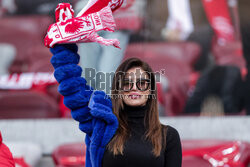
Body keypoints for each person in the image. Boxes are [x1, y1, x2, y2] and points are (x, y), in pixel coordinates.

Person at [50, 44, 182, 167]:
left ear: (150, 90)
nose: (134, 88)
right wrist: (63, 45)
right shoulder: (102, 124)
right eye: (126, 83)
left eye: (141, 83)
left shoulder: (168, 136)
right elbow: (72, 87)